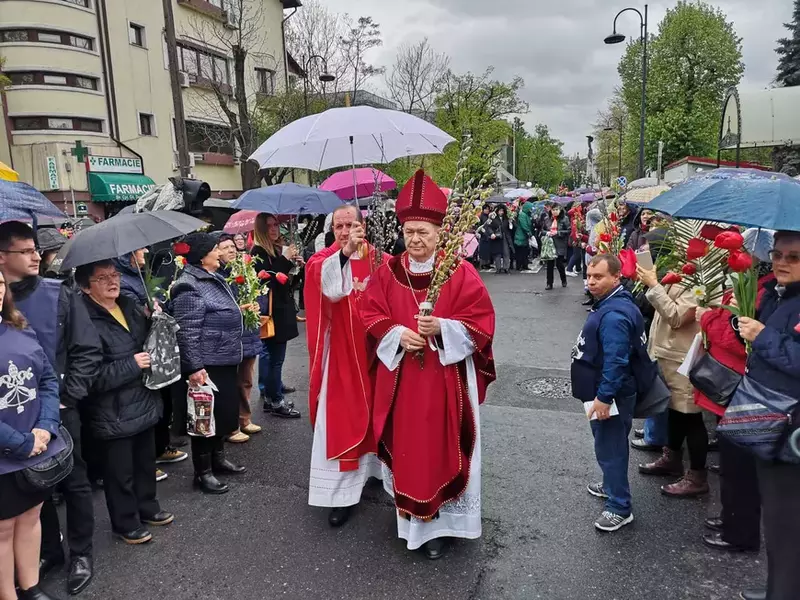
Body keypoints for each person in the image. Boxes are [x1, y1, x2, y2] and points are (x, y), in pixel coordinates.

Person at [361, 170, 496, 560]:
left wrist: (441, 327)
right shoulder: (388, 272)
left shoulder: (458, 270)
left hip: (445, 379)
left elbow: (482, 323)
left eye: (422, 232)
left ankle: (442, 523)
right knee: (410, 449)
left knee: (442, 446)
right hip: (403, 379)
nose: (415, 240)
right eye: (409, 233)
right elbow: (369, 312)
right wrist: (397, 335)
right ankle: (412, 516)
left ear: (439, 232)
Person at [0, 221, 101, 595]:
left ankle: (81, 553)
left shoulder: (59, 293)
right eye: (25, 251)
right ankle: (47, 553)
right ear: (2, 258)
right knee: (30, 493)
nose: (36, 256)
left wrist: (65, 399)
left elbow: (87, 351)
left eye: (35, 250)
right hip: (11, 422)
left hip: (58, 408)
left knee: (73, 482)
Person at [77, 260, 174, 546]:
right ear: (85, 287)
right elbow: (88, 377)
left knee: (144, 463)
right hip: (111, 411)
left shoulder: (129, 305)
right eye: (102, 278)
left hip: (142, 400)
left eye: (115, 275)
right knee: (119, 472)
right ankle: (125, 522)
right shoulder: (82, 320)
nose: (112, 282)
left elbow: (148, 341)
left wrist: (156, 318)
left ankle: (147, 506)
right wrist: (131, 365)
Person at [304, 205, 387, 527]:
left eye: (350, 224)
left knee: (381, 418)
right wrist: (346, 253)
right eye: (339, 225)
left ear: (362, 226)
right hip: (341, 357)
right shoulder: (322, 259)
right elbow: (330, 289)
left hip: (377, 354)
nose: (344, 231)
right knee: (340, 421)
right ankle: (340, 497)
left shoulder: (379, 259)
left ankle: (376, 472)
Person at [695, 245, 774, 555]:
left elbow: (737, 337)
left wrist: (707, 321)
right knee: (732, 462)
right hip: (738, 385)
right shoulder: (756, 285)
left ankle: (739, 532)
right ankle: (732, 520)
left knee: (741, 466)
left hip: (743, 386)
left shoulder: (762, 292)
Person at [736, 230, 800, 600]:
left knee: (788, 523)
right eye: (778, 254)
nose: (781, 262)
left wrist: (763, 338)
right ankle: (780, 584)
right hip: (771, 416)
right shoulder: (780, 295)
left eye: (793, 257)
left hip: (791, 429)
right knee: (775, 521)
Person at [0, 270, 62, 600]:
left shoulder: (19, 325)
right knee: (3, 529)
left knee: (31, 516)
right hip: (8, 453)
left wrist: (46, 427)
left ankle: (31, 587)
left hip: (36, 445)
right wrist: (21, 443)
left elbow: (48, 380)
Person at [171, 233, 246, 495]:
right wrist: (193, 367)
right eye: (215, 248)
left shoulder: (213, 277)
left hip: (222, 358)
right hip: (206, 364)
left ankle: (218, 459)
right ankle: (202, 473)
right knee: (203, 419)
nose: (220, 252)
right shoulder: (188, 285)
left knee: (222, 413)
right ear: (203, 256)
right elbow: (187, 330)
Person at [571, 254, 642, 532]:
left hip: (609, 394)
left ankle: (619, 507)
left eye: (598, 277)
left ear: (616, 277)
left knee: (610, 447)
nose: (591, 282)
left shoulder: (614, 315)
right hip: (604, 390)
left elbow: (616, 361)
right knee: (610, 445)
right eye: (589, 276)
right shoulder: (613, 303)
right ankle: (612, 484)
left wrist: (604, 397)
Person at [637, 263, 709, 497]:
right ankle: (672, 458)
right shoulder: (683, 268)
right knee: (676, 411)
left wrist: (654, 284)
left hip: (684, 357)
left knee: (690, 415)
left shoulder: (702, 275)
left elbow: (677, 317)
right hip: (669, 354)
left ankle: (697, 476)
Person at [113, 248, 188, 472]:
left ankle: (160, 447)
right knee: (148, 402)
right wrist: (147, 310)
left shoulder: (137, 276)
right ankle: (147, 459)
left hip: (154, 347)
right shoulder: (124, 282)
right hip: (142, 349)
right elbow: (132, 315)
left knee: (161, 400)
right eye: (139, 248)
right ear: (128, 254)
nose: (145, 250)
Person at [251, 213, 301, 418]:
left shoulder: (274, 250)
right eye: (269, 226)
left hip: (282, 310)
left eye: (276, 225)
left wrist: (296, 266)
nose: (274, 229)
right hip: (272, 313)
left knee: (276, 358)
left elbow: (286, 282)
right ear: (261, 230)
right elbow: (266, 282)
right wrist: (285, 259)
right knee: (274, 359)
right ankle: (275, 400)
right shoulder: (258, 252)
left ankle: (273, 396)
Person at [217, 234, 262, 444]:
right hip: (230, 335)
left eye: (232, 246)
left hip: (248, 333)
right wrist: (239, 308)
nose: (231, 250)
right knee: (230, 383)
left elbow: (253, 293)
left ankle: (244, 418)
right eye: (225, 247)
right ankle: (231, 425)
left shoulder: (243, 268)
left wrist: (255, 304)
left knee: (246, 380)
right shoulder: (217, 275)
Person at [542, 204, 570, 290]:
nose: (554, 211)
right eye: (553, 210)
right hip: (550, 244)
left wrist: (558, 233)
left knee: (559, 264)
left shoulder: (564, 219)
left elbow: (568, 230)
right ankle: (549, 283)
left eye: (556, 209)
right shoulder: (547, 219)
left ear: (560, 210)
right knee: (549, 264)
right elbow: (542, 230)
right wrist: (546, 233)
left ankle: (563, 279)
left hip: (560, 243)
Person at [487, 205, 512, 273]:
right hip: (497, 237)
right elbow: (488, 227)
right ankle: (498, 268)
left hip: (505, 237)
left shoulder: (506, 218)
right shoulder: (493, 218)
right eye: (500, 211)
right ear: (497, 211)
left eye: (502, 211)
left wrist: (511, 223)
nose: (501, 212)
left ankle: (506, 267)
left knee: (506, 252)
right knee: (497, 253)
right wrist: (492, 233)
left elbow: (510, 228)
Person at [513, 200, 534, 273]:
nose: (531, 210)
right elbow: (524, 225)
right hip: (520, 236)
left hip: (524, 237)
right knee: (520, 252)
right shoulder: (522, 215)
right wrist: (529, 233)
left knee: (525, 252)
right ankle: (519, 266)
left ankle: (525, 265)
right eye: (530, 208)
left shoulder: (526, 215)